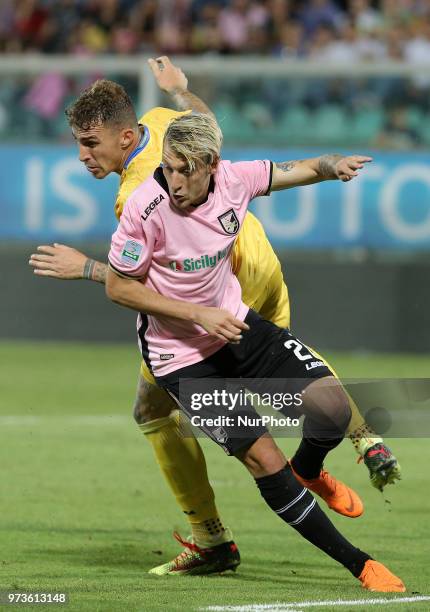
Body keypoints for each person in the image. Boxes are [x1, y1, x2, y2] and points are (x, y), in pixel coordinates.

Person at [29, 59, 400, 575]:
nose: (82, 155)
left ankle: (213, 537)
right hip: (257, 274)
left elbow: (138, 279)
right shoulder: (166, 122)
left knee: (154, 411)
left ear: (126, 136)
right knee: (292, 395)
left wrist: (86, 266)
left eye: (90, 143)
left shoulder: (137, 195)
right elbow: (211, 127)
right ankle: (352, 446)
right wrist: (183, 91)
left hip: (214, 302)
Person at [105, 112, 405, 592]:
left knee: (329, 405)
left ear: (212, 166)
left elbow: (296, 169)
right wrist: (195, 313)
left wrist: (332, 165)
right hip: (181, 357)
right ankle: (360, 564)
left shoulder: (235, 180)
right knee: (264, 459)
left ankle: (308, 468)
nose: (174, 180)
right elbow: (120, 288)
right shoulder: (145, 208)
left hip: (236, 325)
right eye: (168, 168)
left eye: (185, 170)